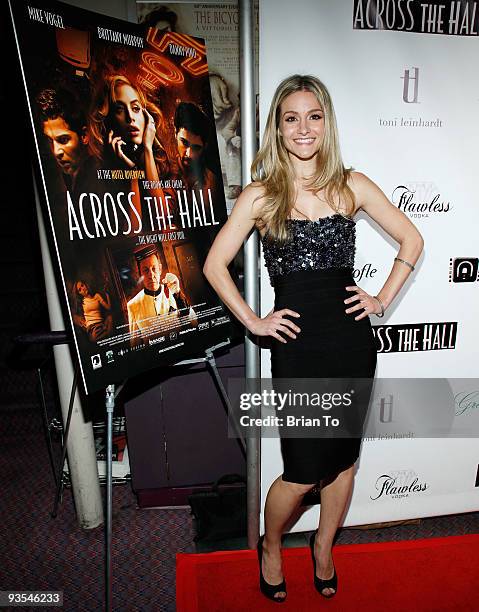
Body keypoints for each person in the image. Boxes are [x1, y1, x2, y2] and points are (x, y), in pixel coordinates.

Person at [203, 74, 424, 602]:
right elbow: (214, 264)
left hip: (351, 340)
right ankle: (272, 544)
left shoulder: (353, 184)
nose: (304, 128)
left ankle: (324, 547)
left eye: (314, 116)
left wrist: (382, 298)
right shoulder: (260, 194)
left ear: (326, 122)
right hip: (298, 345)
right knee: (302, 471)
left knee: (344, 458)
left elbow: (412, 238)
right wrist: (254, 321)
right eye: (291, 118)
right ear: (278, 128)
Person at [88, 74, 172, 225]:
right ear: (107, 121)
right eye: (119, 110)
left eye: (135, 108)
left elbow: (162, 220)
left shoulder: (163, 162)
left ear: (146, 116)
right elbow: (132, 233)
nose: (130, 117)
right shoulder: (97, 171)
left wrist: (147, 150)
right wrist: (131, 174)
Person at [127, 245, 194, 345]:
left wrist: (178, 293)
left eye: (154, 268)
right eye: (146, 270)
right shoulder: (132, 305)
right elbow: (135, 345)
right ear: (139, 274)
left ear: (160, 269)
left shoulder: (175, 293)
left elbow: (194, 323)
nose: (151, 275)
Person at [36, 87, 92, 196]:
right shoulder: (66, 177)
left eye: (63, 140)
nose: (56, 152)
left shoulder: (97, 181)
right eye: (50, 140)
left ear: (84, 136)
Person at [172, 101, 218, 195]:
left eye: (196, 148)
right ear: (175, 133)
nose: (188, 154)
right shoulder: (165, 172)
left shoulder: (213, 183)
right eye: (184, 143)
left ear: (204, 147)